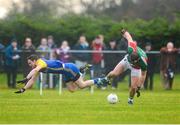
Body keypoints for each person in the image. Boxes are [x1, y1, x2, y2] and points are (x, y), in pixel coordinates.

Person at [14, 54, 109, 93]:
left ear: (34, 60)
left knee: (82, 85)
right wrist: (23, 89)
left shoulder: (40, 63)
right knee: (72, 90)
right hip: (65, 72)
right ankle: (81, 71)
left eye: (30, 63)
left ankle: (101, 79)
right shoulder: (37, 67)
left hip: (69, 68)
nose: (30, 65)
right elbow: (33, 80)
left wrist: (26, 78)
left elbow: (33, 71)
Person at [101, 29, 148, 105]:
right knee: (114, 74)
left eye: (133, 62)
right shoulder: (131, 48)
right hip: (126, 61)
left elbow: (143, 74)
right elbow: (129, 37)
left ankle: (130, 100)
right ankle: (106, 79)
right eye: (131, 61)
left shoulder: (143, 62)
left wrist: (139, 86)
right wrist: (124, 32)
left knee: (133, 87)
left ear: (138, 60)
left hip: (136, 68)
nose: (132, 63)